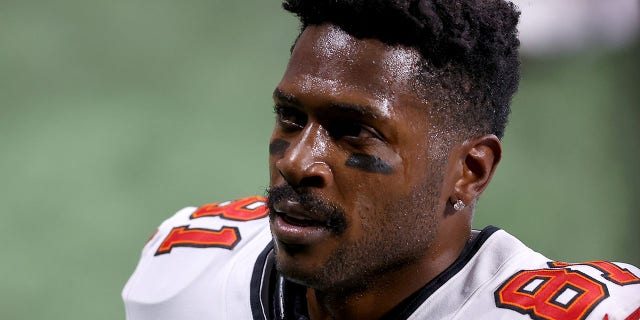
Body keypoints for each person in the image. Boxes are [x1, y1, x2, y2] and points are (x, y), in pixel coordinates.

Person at [122, 0, 640, 319]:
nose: (299, 162)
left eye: (355, 134)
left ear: (470, 171)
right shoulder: (184, 274)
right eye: (291, 118)